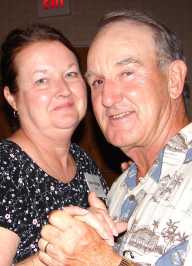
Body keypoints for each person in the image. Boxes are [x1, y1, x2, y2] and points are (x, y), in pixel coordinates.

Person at [38, 9, 192, 266]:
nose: (107, 98)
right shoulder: (120, 190)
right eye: (97, 82)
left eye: (127, 73)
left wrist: (98, 260)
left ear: (174, 80)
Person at [0, 23, 108, 265]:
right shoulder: (5, 167)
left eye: (70, 74)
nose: (63, 89)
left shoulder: (83, 161)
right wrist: (56, 255)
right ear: (11, 97)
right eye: (41, 80)